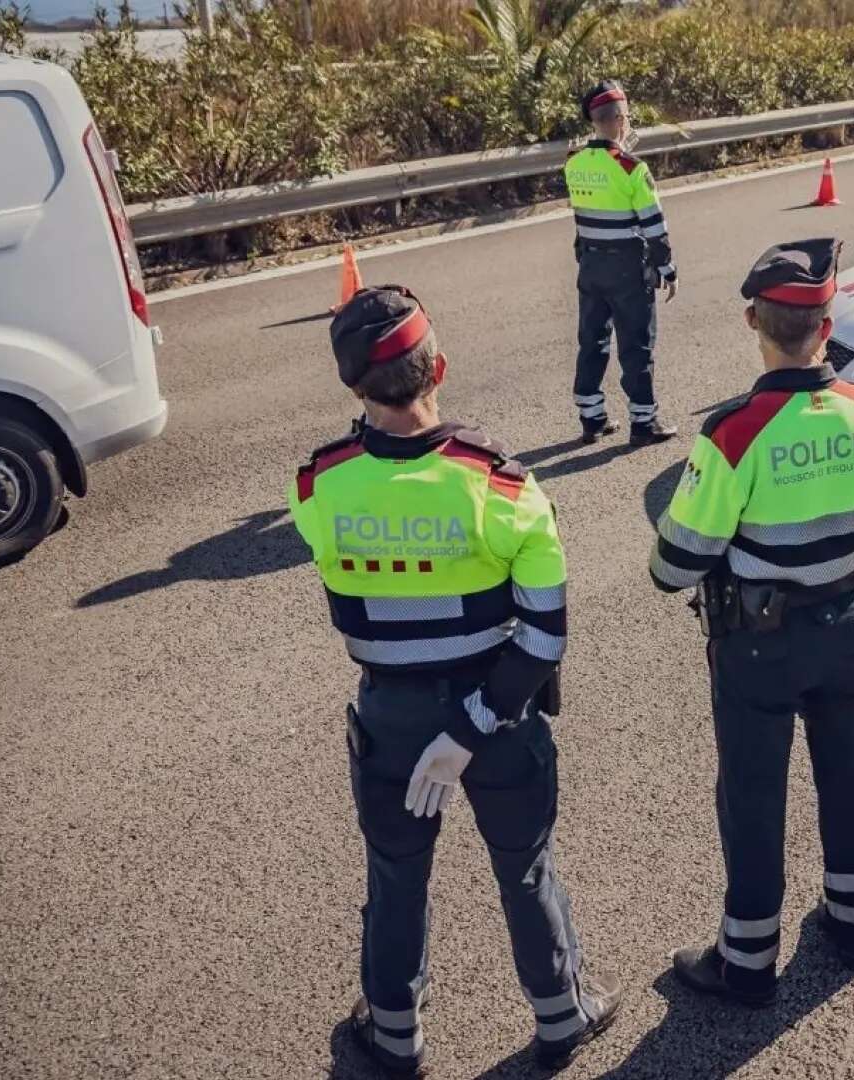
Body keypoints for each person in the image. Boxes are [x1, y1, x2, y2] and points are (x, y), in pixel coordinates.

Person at [289, 286, 620, 1076]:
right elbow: (544, 637)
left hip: (390, 720)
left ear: (353, 387)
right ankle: (561, 1014)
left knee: (396, 875)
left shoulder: (317, 486)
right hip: (499, 714)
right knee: (526, 864)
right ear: (439, 365)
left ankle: (394, 1039)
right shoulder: (502, 485)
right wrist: (471, 724)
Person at [649, 238, 854, 1006]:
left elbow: (674, 566)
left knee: (755, 797)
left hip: (758, 650)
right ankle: (853, 923)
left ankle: (748, 964)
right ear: (828, 324)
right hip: (849, 630)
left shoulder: (735, 433)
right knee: (850, 776)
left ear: (752, 322)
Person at [563, 79, 678, 446]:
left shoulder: (574, 163)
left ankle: (592, 419)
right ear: (618, 120)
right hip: (628, 268)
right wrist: (666, 268)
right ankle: (644, 423)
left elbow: (583, 216)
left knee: (592, 342)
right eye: (626, 117)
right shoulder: (632, 168)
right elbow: (654, 225)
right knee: (636, 345)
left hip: (591, 266)